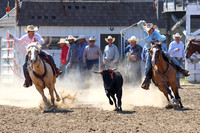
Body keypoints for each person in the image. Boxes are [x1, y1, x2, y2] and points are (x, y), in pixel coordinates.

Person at [137, 20, 190, 90]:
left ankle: (181, 69)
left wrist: (157, 39)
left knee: (170, 57)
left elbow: (163, 37)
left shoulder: (155, 33)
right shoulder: (144, 32)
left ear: (152, 29)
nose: (149, 31)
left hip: (158, 50)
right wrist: (141, 22)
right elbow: (139, 25)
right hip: (149, 51)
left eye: (150, 29)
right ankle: (146, 81)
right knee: (147, 65)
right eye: (148, 29)